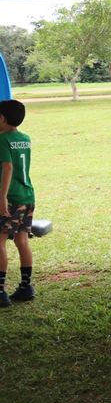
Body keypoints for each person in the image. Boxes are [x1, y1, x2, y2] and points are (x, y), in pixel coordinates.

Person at [0, 100, 35, 307]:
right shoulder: (24, 138)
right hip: (27, 196)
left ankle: (0, 292)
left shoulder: (2, 140)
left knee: (0, 241)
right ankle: (26, 286)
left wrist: (2, 196)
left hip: (10, 198)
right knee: (22, 241)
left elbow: (7, 167)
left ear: (1, 119)